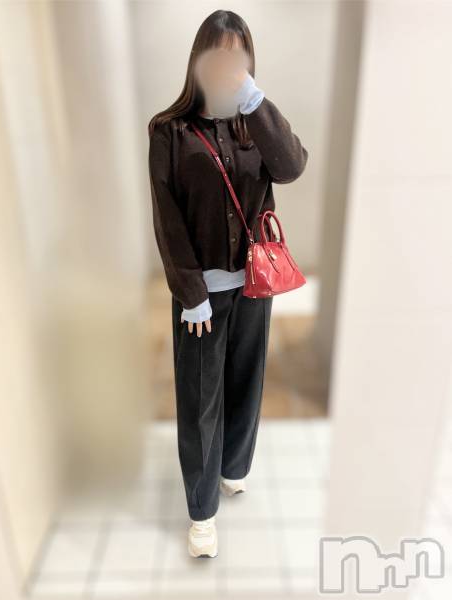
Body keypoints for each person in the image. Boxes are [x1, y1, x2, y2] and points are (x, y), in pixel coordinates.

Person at [147, 9, 308, 558]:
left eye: (237, 56)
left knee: (247, 380)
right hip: (202, 295)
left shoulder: (253, 122)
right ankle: (201, 512)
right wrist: (190, 293)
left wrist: (256, 104)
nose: (227, 65)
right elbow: (166, 218)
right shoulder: (169, 131)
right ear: (199, 60)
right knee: (201, 399)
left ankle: (234, 467)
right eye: (218, 55)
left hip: (255, 284)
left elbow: (291, 167)